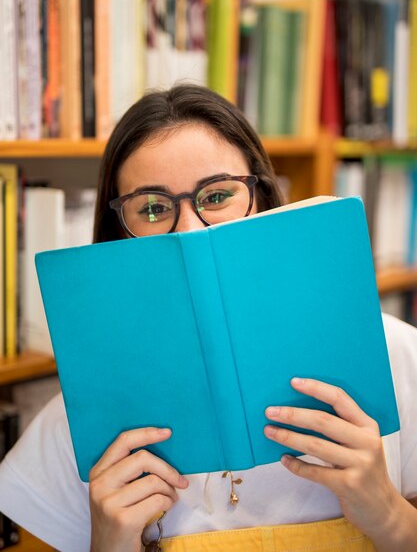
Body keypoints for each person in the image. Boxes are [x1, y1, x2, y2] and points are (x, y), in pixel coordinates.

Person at [0, 84, 417, 552]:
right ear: (119, 234)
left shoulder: (397, 360)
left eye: (217, 195)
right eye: (153, 208)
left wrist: (389, 513)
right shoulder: (85, 423)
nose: (190, 230)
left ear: (263, 199)